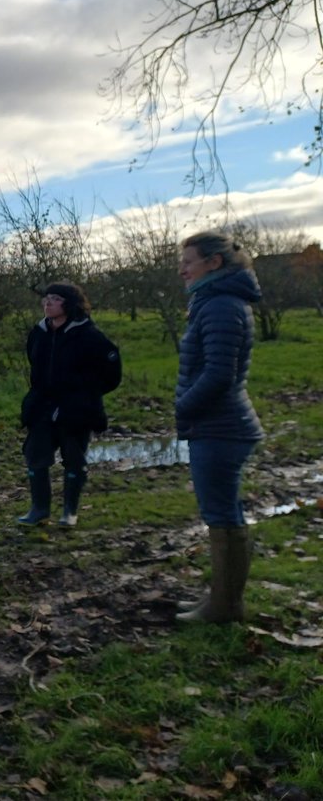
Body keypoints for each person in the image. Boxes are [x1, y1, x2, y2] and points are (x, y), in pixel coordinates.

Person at [173, 231, 263, 624]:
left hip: (220, 426)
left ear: (214, 263)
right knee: (223, 512)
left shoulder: (221, 305)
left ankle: (225, 607)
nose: (182, 270)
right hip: (219, 424)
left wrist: (183, 407)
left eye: (188, 262)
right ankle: (223, 599)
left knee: (222, 514)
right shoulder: (214, 301)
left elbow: (219, 375)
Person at [17, 283, 122, 527]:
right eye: (46, 298)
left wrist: (87, 393)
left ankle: (69, 512)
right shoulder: (39, 333)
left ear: (69, 303)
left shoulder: (89, 335)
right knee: (35, 454)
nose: (48, 303)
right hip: (42, 405)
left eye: (55, 298)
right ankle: (39, 509)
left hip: (77, 409)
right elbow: (34, 363)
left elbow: (112, 373)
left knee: (74, 458)